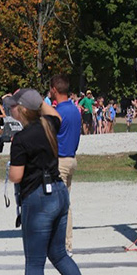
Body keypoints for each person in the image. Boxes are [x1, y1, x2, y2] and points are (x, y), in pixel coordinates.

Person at [7, 88, 97, 275]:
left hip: (38, 199)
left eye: (15, 105)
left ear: (23, 110)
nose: (11, 109)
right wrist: (35, 98)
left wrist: (9, 168)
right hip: (58, 191)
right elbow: (51, 113)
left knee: (34, 260)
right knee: (58, 254)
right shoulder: (49, 125)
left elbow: (16, 176)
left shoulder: (21, 139)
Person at [49, 73, 82, 254]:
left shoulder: (59, 112)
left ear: (54, 89)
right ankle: (65, 243)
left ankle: (63, 245)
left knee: (59, 205)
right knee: (65, 203)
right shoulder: (74, 110)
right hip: (71, 158)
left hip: (60, 161)